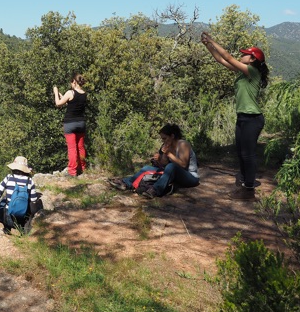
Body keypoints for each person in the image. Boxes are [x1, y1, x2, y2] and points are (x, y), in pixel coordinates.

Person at [201, 32, 269, 201]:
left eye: (245, 54)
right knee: (240, 152)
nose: (242, 55)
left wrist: (212, 40)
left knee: (248, 153)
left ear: (252, 59)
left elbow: (229, 57)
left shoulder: (252, 71)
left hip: (253, 118)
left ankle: (249, 186)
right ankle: (247, 182)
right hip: (243, 117)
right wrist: (208, 46)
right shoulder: (243, 73)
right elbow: (222, 60)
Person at [110, 124, 199, 198]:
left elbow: (183, 164)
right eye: (162, 139)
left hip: (190, 177)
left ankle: (155, 190)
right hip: (174, 174)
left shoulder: (183, 144)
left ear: (172, 136)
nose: (163, 141)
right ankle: (126, 183)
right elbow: (165, 164)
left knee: (172, 166)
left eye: (164, 138)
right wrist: (159, 159)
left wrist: (168, 154)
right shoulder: (166, 146)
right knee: (147, 168)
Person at [0, 156, 41, 234]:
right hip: (22, 219)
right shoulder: (30, 181)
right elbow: (33, 201)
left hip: (7, 217)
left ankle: (7, 228)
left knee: (3, 201)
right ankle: (23, 229)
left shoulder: (8, 178)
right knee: (29, 205)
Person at [53, 73, 87, 176]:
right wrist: (61, 95)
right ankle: (83, 168)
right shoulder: (84, 94)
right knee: (80, 147)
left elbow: (58, 104)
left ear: (74, 82)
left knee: (72, 148)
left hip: (70, 123)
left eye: (71, 82)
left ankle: (72, 171)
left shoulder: (70, 92)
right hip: (81, 123)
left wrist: (55, 93)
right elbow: (71, 103)